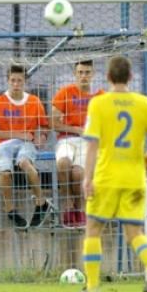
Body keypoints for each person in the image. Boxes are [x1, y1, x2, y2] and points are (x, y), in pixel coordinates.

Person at [81, 55, 147, 292]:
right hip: (134, 178)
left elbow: (91, 145)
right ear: (130, 77)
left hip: (106, 177)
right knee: (135, 233)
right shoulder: (144, 104)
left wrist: (87, 178)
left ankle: (92, 286)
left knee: (93, 229)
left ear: (107, 77)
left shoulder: (98, 104)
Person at [0, 64, 52, 228]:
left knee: (25, 163)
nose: (16, 84)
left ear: (25, 82)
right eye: (13, 80)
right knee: (5, 171)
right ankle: (10, 210)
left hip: (26, 143)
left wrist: (42, 138)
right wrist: (17, 134)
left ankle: (41, 202)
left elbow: (45, 126)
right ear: (8, 81)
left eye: (19, 81)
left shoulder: (34, 102)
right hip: (3, 144)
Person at [51, 59, 104, 227]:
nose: (83, 76)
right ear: (75, 74)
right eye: (80, 72)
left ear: (93, 74)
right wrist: (76, 129)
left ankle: (79, 209)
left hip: (87, 144)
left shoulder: (100, 95)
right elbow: (52, 123)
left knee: (78, 174)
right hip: (66, 139)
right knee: (63, 163)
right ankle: (67, 205)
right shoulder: (65, 93)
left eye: (87, 72)